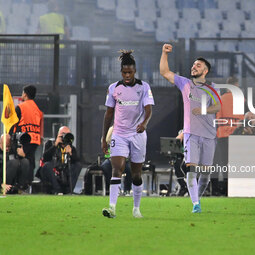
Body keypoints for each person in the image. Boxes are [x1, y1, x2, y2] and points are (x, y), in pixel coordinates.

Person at [160, 44, 221, 213]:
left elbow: (217, 107)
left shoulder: (212, 88)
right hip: (190, 134)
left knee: (206, 174)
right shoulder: (185, 83)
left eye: (198, 65)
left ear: (205, 71)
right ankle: (196, 204)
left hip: (209, 136)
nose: (194, 67)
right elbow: (165, 72)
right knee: (191, 171)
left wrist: (203, 110)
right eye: (193, 65)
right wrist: (164, 53)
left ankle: (197, 198)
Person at [101, 50, 154, 218]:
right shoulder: (114, 88)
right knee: (117, 168)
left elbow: (148, 110)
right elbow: (108, 114)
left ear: (135, 71)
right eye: (124, 72)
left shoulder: (144, 87)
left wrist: (144, 124)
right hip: (119, 134)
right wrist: (104, 137)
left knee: (136, 174)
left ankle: (136, 208)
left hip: (137, 135)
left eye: (130, 72)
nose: (127, 75)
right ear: (121, 72)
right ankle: (112, 208)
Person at [213, 76, 244, 196]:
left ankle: (226, 189)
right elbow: (241, 118)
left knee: (224, 163)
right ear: (235, 85)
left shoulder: (220, 99)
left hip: (222, 135)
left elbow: (218, 118)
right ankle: (236, 188)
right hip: (236, 135)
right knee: (236, 164)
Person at [13, 85, 43, 184]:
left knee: (22, 161)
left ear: (25, 94)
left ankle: (22, 183)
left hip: (24, 138)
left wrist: (12, 136)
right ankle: (28, 184)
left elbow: (14, 124)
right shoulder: (38, 110)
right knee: (31, 160)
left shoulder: (21, 107)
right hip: (35, 140)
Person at [37, 126, 81, 194]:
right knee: (47, 165)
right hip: (52, 171)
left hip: (64, 172)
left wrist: (71, 153)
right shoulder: (50, 144)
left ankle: (69, 191)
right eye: (63, 134)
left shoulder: (71, 147)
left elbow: (77, 161)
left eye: (67, 134)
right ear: (58, 135)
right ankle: (58, 191)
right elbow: (45, 158)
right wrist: (55, 145)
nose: (64, 136)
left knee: (78, 165)